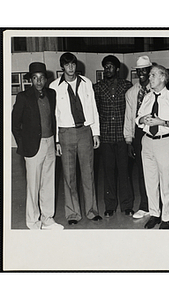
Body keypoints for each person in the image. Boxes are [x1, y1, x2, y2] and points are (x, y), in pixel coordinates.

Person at [50, 52, 102, 225]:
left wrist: (95, 133)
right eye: (67, 65)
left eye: (73, 64)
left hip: (85, 132)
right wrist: (57, 140)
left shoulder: (87, 83)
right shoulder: (54, 86)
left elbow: (93, 108)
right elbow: (54, 115)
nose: (71, 68)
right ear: (62, 67)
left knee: (88, 174)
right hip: (65, 134)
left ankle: (92, 211)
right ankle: (73, 214)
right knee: (69, 176)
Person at [12, 62, 64, 230]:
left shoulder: (52, 94)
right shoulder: (23, 97)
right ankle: (33, 221)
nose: (39, 81)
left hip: (50, 143)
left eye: (41, 78)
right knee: (33, 186)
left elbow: (54, 119)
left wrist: (55, 141)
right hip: (33, 146)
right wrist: (24, 145)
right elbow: (15, 125)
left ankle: (47, 218)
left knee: (48, 183)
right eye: (35, 78)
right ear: (31, 80)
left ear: (45, 79)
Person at [136, 65, 169, 229]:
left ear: (163, 78)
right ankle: (154, 214)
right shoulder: (148, 97)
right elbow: (138, 118)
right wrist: (143, 120)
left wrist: (161, 122)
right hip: (147, 141)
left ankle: (166, 218)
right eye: (150, 75)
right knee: (150, 182)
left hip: (164, 142)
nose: (149, 78)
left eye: (152, 75)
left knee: (166, 183)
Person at [93, 55, 134, 217]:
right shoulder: (98, 87)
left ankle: (127, 205)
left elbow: (131, 112)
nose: (107, 69)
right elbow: (95, 112)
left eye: (110, 66)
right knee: (108, 172)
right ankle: (110, 205)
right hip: (106, 137)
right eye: (105, 67)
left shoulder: (127, 86)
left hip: (122, 136)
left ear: (117, 69)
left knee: (124, 172)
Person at [124, 56, 152, 219]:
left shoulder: (157, 89)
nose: (142, 73)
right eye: (139, 70)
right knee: (142, 172)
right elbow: (129, 117)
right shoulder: (131, 92)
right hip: (138, 133)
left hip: (156, 132)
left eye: (145, 70)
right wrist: (129, 140)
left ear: (149, 71)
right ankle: (144, 205)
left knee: (158, 172)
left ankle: (158, 205)